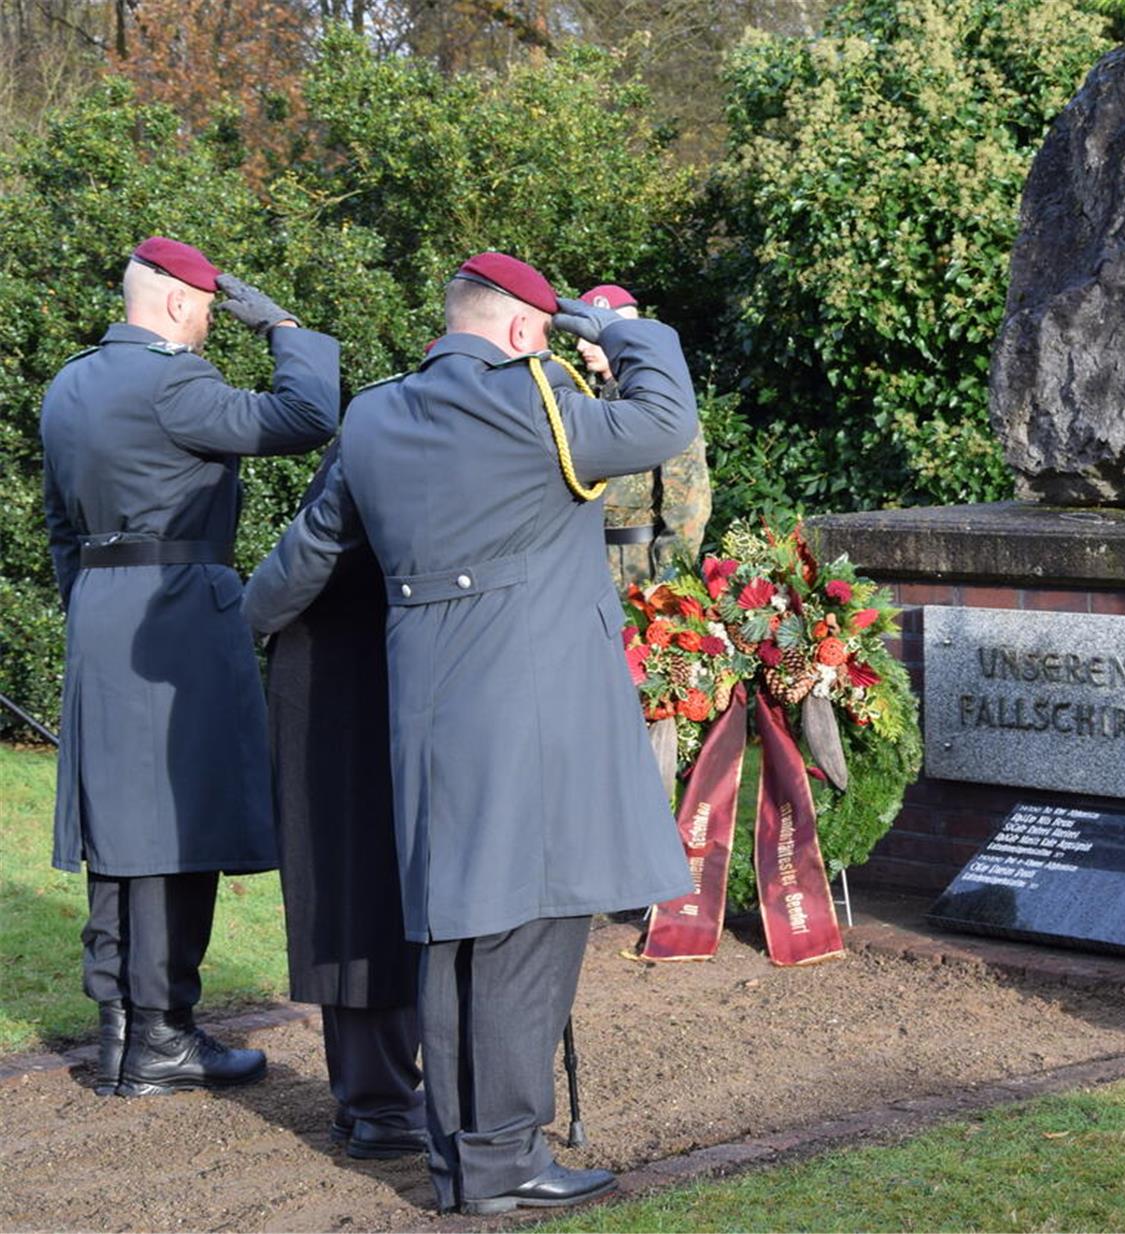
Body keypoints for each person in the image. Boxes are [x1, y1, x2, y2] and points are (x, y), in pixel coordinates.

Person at [243, 252, 696, 1214]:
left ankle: (464, 1159)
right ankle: (501, 1161)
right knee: (529, 933)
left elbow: (302, 560)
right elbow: (665, 419)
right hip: (534, 707)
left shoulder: (374, 414)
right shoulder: (537, 402)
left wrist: (247, 625)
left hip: (427, 704)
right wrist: (616, 327)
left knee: (454, 931)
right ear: (530, 330)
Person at [39, 235, 339, 1096]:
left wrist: (91, 603)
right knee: (180, 822)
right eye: (209, 305)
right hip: (176, 611)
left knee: (119, 830)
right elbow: (309, 416)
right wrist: (281, 324)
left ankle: (122, 1036)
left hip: (101, 610)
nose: (213, 318)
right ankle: (163, 1036)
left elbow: (63, 529)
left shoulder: (68, 385)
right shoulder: (175, 382)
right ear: (176, 302)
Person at [262, 440, 426, 1160]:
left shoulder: (373, 438)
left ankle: (372, 1098)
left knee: (360, 890)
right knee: (366, 894)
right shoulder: (394, 445)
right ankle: (379, 1103)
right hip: (349, 683)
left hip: (339, 675)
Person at [576, 283, 710, 588]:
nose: (581, 347)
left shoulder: (661, 402)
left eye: (593, 336)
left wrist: (668, 586)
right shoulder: (579, 400)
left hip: (640, 572)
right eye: (579, 336)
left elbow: (688, 507)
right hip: (582, 567)